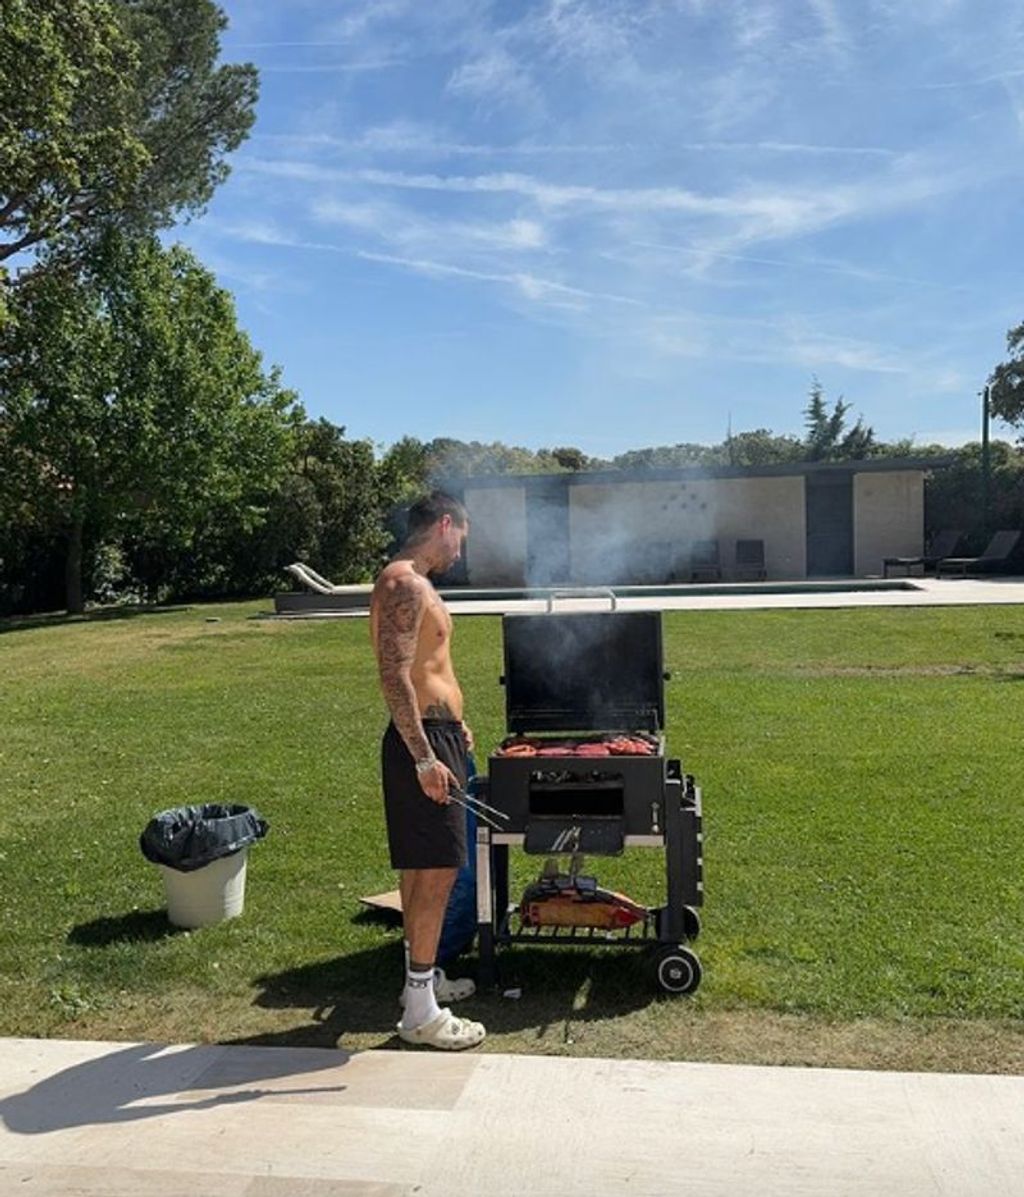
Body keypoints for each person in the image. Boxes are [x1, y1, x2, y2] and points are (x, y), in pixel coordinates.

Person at [369, 491, 486, 1051]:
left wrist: (451, 727)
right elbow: (394, 675)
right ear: (445, 525)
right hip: (423, 748)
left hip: (438, 739)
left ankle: (422, 984)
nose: (461, 549)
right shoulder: (404, 584)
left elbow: (428, 669)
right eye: (461, 536)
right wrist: (424, 756)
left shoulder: (418, 582)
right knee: (435, 876)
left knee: (425, 871)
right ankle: (420, 1014)